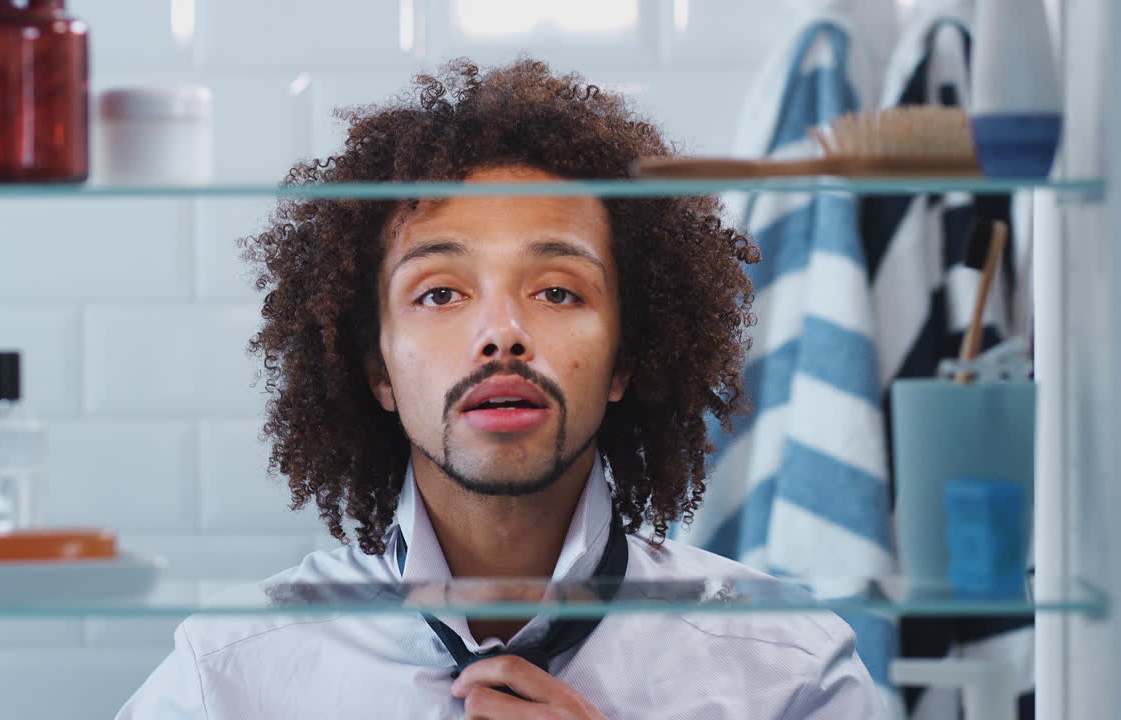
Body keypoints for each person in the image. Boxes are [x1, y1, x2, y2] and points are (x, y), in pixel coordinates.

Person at [116, 58, 883, 719]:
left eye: (557, 291)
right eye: (440, 293)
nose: (502, 333)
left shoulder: (787, 670)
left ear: (625, 360)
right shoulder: (224, 678)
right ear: (377, 369)